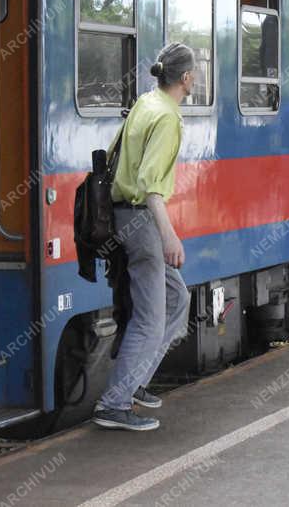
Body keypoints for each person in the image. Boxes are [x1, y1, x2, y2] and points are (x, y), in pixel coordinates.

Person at [93, 43, 194, 432]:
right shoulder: (166, 117)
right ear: (185, 78)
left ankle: (134, 382)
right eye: (194, 72)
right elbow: (152, 187)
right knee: (151, 320)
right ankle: (114, 404)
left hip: (122, 214)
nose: (195, 78)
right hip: (141, 220)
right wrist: (169, 237)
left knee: (177, 297)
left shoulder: (146, 102)